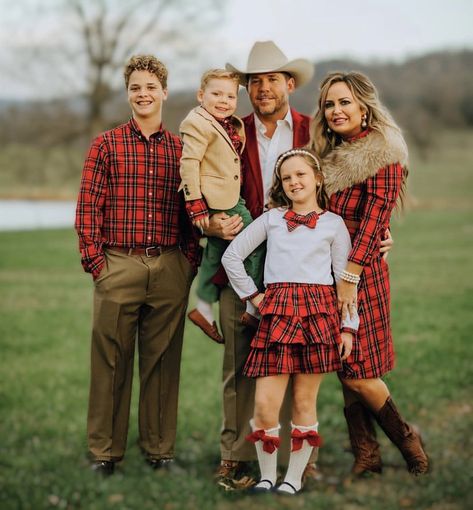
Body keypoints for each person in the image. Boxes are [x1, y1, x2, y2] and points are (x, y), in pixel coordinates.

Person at [75, 54, 199, 475]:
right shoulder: (106, 145)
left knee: (163, 362)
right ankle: (105, 454)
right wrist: (98, 265)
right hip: (118, 265)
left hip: (169, 267)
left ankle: (160, 452)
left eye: (150, 87)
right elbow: (88, 209)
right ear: (127, 94)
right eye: (135, 88)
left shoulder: (182, 150)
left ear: (164, 91)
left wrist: (188, 263)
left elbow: (191, 210)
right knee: (111, 361)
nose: (143, 94)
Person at [203, 41, 319, 487]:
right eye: (255, 81)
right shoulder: (228, 131)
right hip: (242, 265)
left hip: (302, 270)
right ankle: (235, 453)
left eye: (272, 78)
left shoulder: (314, 131)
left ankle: (298, 457)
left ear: (289, 83)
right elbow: (205, 184)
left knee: (299, 364)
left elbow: (338, 191)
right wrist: (211, 222)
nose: (264, 87)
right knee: (239, 362)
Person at [307, 71, 429, 475]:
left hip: (361, 271)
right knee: (347, 366)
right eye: (329, 104)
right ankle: (367, 455)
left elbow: (376, 220)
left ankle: (407, 439)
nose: (337, 110)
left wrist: (350, 276)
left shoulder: (384, 152)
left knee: (359, 371)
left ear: (363, 106)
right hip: (327, 269)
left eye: (345, 102)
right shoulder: (329, 156)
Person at [222, 148, 359, 495]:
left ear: (317, 178)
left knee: (302, 402)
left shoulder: (333, 224)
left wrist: (348, 327)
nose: (294, 181)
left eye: (301, 174)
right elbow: (232, 256)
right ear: (281, 185)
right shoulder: (271, 219)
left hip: (318, 314)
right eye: (287, 177)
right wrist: (255, 297)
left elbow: (345, 281)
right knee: (266, 404)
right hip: (277, 313)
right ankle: (268, 476)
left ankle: (293, 479)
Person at [179, 69, 264, 344]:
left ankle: (203, 306)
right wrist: (195, 203)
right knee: (255, 243)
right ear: (201, 95)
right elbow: (189, 162)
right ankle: (252, 303)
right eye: (216, 94)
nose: (224, 101)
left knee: (216, 249)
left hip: (225, 196)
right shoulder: (197, 122)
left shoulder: (226, 123)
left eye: (230, 96)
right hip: (215, 199)